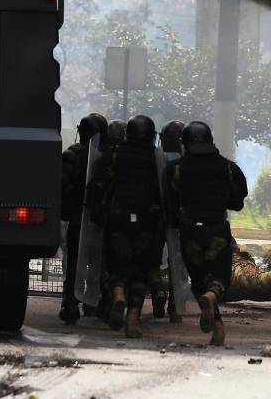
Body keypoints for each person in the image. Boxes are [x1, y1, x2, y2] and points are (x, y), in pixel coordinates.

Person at [164, 121, 247, 346]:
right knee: (220, 279)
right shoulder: (228, 167)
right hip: (217, 229)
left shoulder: (176, 168)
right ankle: (212, 298)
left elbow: (170, 203)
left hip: (190, 231)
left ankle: (218, 328)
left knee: (198, 279)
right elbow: (238, 202)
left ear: (185, 143)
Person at [88, 115, 162, 338]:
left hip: (117, 219)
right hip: (147, 222)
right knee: (140, 270)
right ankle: (133, 319)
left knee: (117, 265)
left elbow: (97, 187)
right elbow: (165, 192)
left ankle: (118, 294)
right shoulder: (157, 159)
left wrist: (98, 215)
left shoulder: (113, 155)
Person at [59, 113, 107, 324]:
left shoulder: (72, 154)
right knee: (99, 263)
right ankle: (94, 303)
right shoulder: (108, 156)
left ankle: (70, 304)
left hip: (77, 218)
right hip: (100, 221)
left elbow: (62, 186)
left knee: (74, 264)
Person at [152, 120, 186, 322]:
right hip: (179, 219)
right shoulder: (188, 164)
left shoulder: (154, 159)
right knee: (178, 262)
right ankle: (175, 306)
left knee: (152, 259)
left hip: (156, 218)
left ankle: (157, 290)